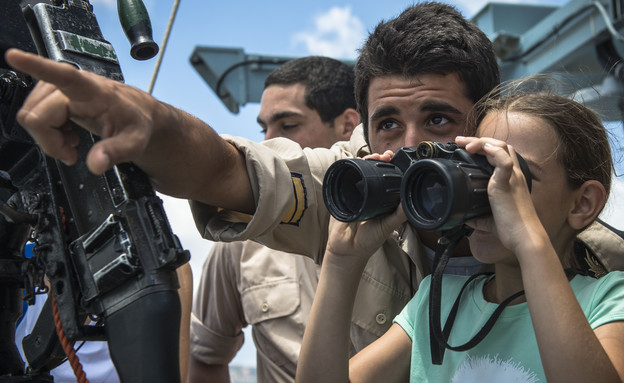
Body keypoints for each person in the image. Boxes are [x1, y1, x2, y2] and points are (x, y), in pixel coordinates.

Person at [4, 1, 622, 359]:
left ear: (483, 124)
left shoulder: (593, 265)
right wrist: (148, 122)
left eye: (437, 120)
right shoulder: (355, 185)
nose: (408, 149)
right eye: (387, 123)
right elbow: (228, 168)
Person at [296, 82, 624, 383]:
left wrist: (527, 240)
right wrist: (341, 262)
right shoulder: (439, 303)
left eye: (514, 178)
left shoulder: (609, 300)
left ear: (582, 203)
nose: (488, 192)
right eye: (476, 170)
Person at [187, 56, 359, 383]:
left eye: (288, 126)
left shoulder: (402, 227)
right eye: (263, 128)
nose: (267, 142)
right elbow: (206, 357)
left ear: (348, 126)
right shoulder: (243, 235)